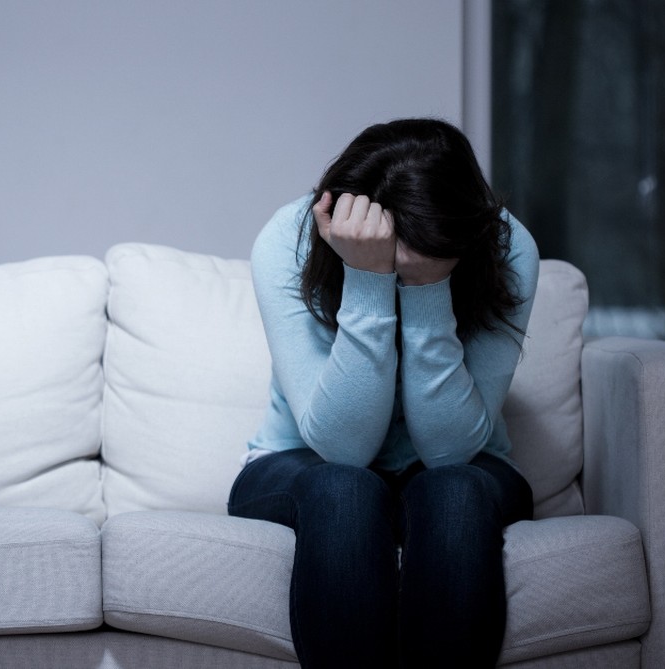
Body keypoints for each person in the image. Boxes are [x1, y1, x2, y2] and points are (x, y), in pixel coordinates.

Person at [228, 118, 539, 668]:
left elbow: (448, 453)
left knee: (456, 490)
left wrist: (428, 285)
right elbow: (344, 450)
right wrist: (367, 278)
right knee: (345, 490)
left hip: (464, 463)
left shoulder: (506, 247)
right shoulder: (289, 237)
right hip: (302, 460)